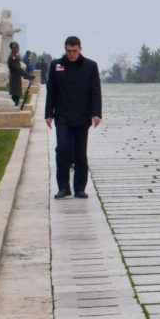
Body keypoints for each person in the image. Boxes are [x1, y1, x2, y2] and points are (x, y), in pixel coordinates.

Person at [46, 35, 103, 198]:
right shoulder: (56, 65)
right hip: (62, 116)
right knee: (62, 149)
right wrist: (49, 114)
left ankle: (79, 188)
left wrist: (96, 113)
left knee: (80, 153)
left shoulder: (90, 66)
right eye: (69, 51)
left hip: (82, 116)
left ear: (80, 49)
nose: (71, 54)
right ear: (65, 49)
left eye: (74, 51)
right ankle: (63, 187)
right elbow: (51, 91)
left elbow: (95, 91)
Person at [6, 40, 25, 108]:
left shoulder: (15, 56)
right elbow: (18, 69)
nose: (18, 49)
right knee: (15, 96)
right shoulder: (13, 57)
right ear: (13, 48)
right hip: (15, 78)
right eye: (17, 47)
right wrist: (27, 76)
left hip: (16, 78)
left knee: (16, 95)